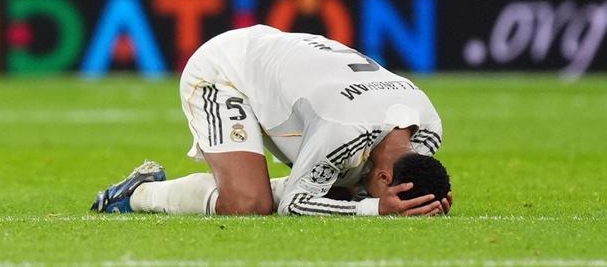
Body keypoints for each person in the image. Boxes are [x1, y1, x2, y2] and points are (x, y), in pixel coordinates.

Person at [91, 25, 452, 217]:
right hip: (227, 71)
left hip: (286, 62)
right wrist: (375, 207)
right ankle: (139, 193)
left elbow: (395, 172)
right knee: (248, 204)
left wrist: (431, 196)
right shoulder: (343, 129)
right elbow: (296, 203)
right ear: (386, 178)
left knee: (343, 191)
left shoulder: (429, 127)